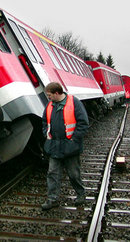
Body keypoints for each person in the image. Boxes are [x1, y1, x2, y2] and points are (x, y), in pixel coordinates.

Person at [41, 82, 89, 210]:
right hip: (54, 146)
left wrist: (73, 139)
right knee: (52, 173)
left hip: (70, 147)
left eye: (50, 95)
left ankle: (80, 194)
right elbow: (45, 121)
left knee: (73, 174)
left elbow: (83, 123)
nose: (48, 97)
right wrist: (47, 133)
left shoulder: (74, 102)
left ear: (57, 93)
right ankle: (52, 199)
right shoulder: (50, 105)